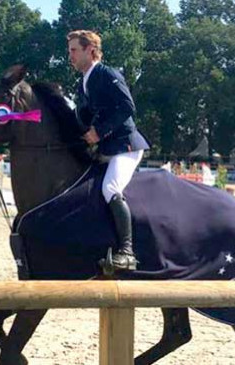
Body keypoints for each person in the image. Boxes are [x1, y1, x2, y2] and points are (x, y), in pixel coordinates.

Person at [67, 30, 150, 271]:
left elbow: (127, 107)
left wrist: (99, 132)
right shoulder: (83, 82)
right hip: (106, 147)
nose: (69, 56)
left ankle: (127, 252)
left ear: (90, 51)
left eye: (74, 50)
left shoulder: (107, 74)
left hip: (125, 146)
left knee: (110, 188)